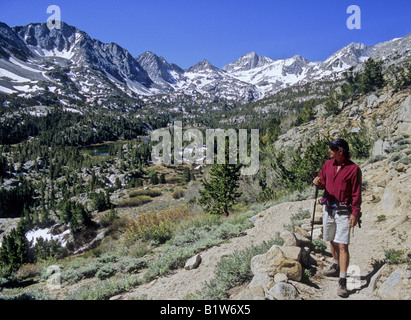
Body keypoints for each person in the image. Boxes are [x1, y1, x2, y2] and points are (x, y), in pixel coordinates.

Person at [312, 138, 362, 298]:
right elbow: (322, 184)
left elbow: (356, 193)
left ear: (340, 151)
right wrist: (317, 183)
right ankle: (335, 264)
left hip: (344, 209)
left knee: (343, 245)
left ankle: (342, 280)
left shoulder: (354, 169)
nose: (329, 151)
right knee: (331, 238)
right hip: (329, 207)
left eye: (332, 148)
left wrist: (355, 212)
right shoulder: (327, 165)